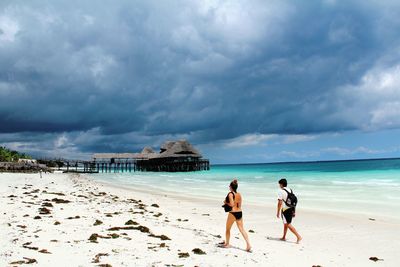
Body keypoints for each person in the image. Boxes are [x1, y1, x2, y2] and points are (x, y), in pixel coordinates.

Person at [220, 179, 252, 252]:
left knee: (228, 229)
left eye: (229, 185)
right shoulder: (239, 194)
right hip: (240, 212)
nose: (229, 186)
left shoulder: (230, 194)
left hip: (233, 213)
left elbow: (231, 204)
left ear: (231, 187)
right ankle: (248, 244)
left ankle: (227, 244)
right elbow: (240, 205)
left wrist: (225, 202)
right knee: (242, 229)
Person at [277, 178, 302, 243]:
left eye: (279, 184)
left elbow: (279, 202)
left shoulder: (281, 191)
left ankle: (298, 236)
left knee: (288, 224)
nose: (279, 185)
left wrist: (278, 212)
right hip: (291, 208)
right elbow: (293, 202)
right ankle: (284, 237)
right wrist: (294, 211)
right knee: (285, 223)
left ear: (281, 184)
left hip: (285, 210)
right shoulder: (290, 190)